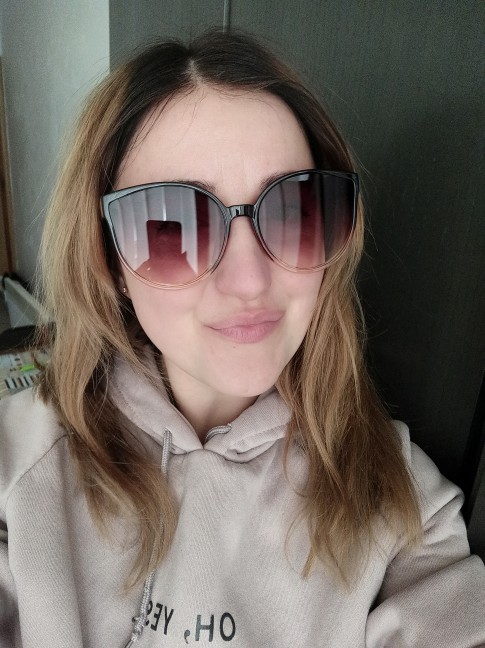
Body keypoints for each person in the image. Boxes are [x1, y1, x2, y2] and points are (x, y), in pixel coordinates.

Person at [0, 29, 484, 648]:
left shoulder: (399, 499)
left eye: (295, 210)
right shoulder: (17, 469)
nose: (250, 281)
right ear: (108, 258)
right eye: (171, 227)